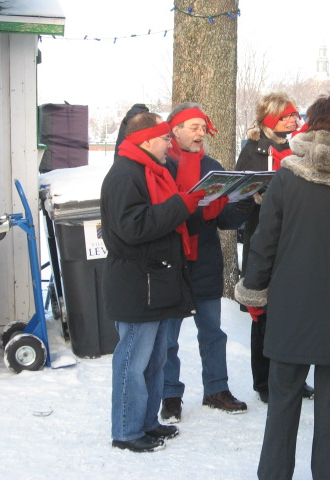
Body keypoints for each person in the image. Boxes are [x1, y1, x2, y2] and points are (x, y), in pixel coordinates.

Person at [234, 93, 330, 480]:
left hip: (291, 305)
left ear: (311, 124)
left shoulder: (287, 176)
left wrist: (255, 293)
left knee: (282, 402)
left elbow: (263, 243)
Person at [101, 112, 206, 452]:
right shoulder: (124, 175)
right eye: (164, 138)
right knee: (133, 360)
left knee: (155, 359)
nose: (168, 143)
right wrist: (180, 205)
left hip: (156, 281)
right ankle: (127, 432)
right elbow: (133, 227)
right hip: (137, 284)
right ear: (145, 140)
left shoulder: (152, 171)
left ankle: (146, 423)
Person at [159, 103, 252, 422]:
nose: (201, 133)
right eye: (194, 127)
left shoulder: (212, 166)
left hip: (205, 262)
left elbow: (225, 219)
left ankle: (216, 389)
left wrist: (243, 203)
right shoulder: (160, 166)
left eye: (203, 127)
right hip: (171, 264)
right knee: (167, 337)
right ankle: (169, 394)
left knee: (213, 332)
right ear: (175, 130)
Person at [235, 92, 314, 404]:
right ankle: (264, 382)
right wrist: (255, 196)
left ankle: (295, 377)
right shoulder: (253, 151)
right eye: (286, 116)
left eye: (295, 114)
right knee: (263, 314)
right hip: (264, 241)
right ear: (270, 120)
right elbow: (238, 196)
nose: (294, 120)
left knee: (297, 313)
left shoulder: (302, 148)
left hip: (297, 241)